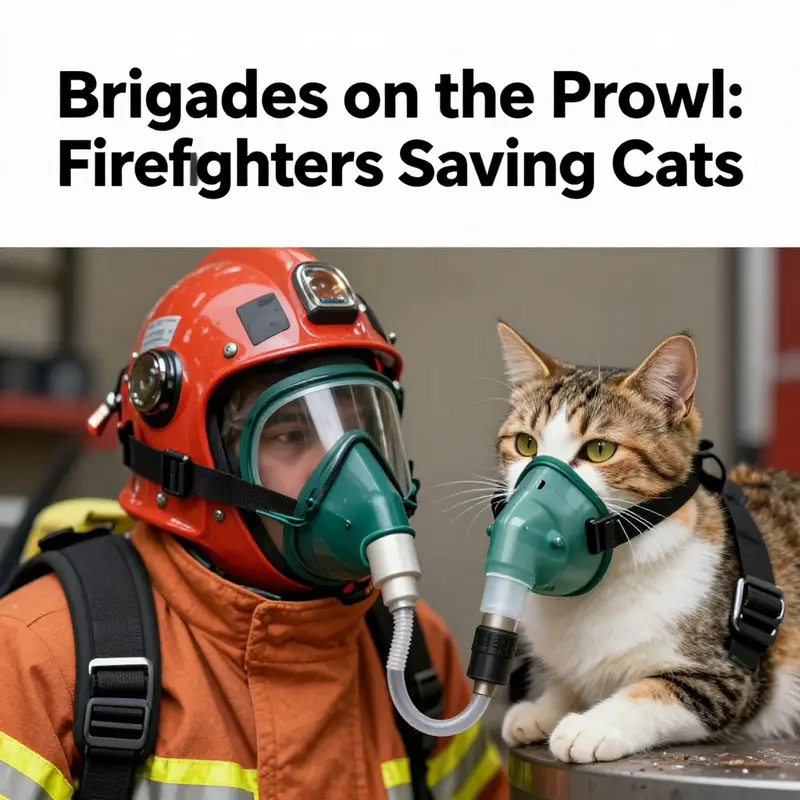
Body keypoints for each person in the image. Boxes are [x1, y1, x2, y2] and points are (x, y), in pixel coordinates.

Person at [0, 248, 509, 800]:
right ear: (190, 462)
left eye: (364, 426)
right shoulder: (39, 655)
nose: (356, 473)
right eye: (292, 434)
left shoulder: (413, 650)